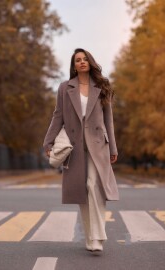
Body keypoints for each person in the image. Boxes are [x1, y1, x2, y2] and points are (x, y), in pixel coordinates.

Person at [43, 48, 119, 254]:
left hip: (97, 144)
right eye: (78, 60)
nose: (82, 62)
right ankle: (90, 237)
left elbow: (108, 119)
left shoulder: (102, 86)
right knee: (82, 191)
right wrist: (48, 142)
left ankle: (98, 237)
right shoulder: (64, 88)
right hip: (75, 145)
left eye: (85, 59)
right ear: (74, 65)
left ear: (90, 62)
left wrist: (112, 146)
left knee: (93, 185)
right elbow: (57, 116)